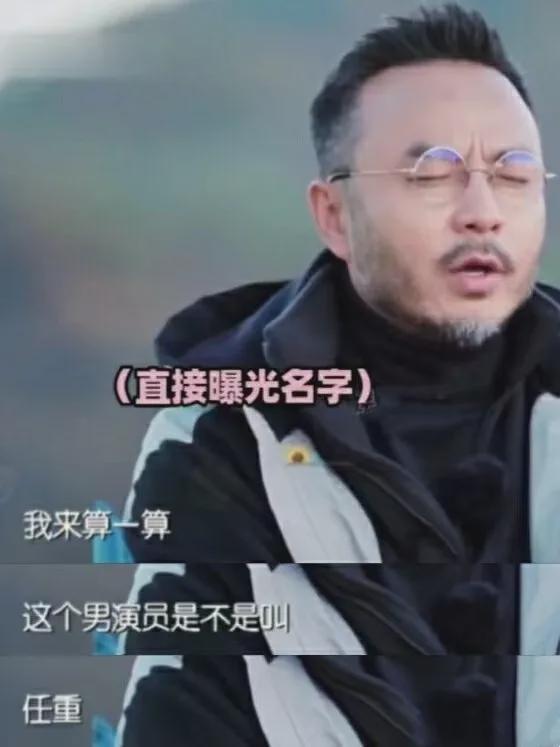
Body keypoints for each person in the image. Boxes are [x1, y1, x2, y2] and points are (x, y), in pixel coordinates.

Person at [116, 5, 560, 746]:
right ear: (334, 215)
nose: (482, 212)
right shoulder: (227, 436)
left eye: (514, 175)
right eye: (432, 174)